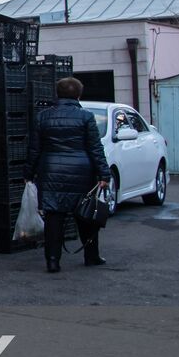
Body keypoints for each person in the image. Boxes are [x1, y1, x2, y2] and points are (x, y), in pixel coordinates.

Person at [24, 77, 110, 273]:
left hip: (51, 172)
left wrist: (28, 173)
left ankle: (53, 261)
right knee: (86, 215)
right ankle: (91, 256)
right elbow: (95, 148)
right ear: (78, 94)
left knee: (54, 218)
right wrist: (104, 174)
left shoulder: (43, 117)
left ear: (57, 94)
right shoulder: (86, 117)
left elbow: (34, 149)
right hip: (81, 172)